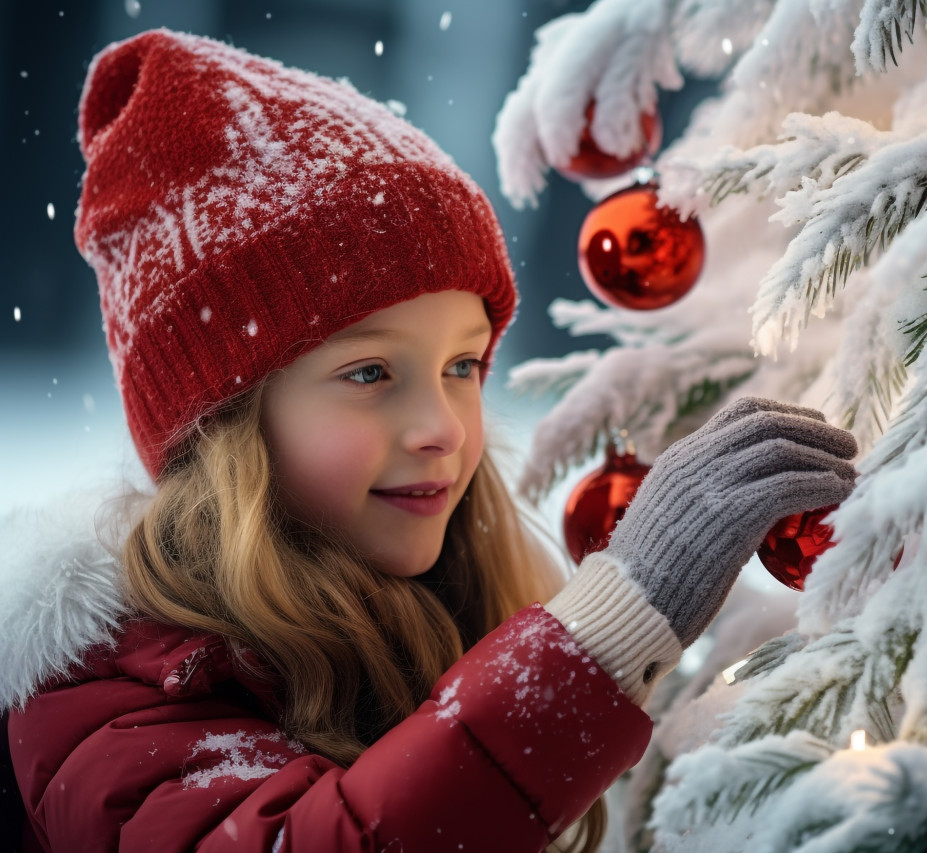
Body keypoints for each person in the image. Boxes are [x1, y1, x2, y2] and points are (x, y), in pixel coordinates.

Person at [0, 29, 857, 853]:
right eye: (370, 372)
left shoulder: (455, 607)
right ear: (225, 422)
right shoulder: (108, 691)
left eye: (462, 365)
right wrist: (616, 623)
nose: (443, 426)